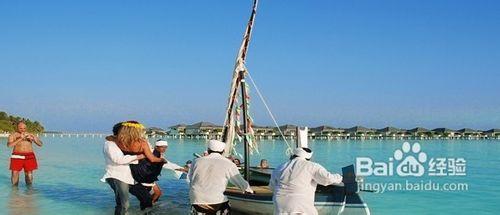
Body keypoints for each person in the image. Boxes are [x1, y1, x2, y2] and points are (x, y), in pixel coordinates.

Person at [269, 147, 343, 215]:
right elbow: (327, 179)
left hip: (279, 205)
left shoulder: (279, 167)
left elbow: (272, 187)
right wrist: (340, 177)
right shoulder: (312, 166)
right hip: (300, 205)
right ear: (308, 158)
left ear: (293, 155)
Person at [188, 140, 254, 215]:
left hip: (196, 199)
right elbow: (239, 181)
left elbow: (191, 178)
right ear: (223, 151)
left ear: (208, 150)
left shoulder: (196, 161)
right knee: (225, 207)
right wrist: (248, 190)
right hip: (216, 201)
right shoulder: (228, 163)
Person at [101, 122, 145, 215]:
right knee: (123, 204)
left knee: (145, 197)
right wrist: (138, 157)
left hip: (128, 177)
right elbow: (118, 159)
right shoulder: (110, 144)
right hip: (117, 176)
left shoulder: (120, 143)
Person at [7, 121, 43, 186]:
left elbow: (40, 144)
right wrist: (20, 138)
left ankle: (28, 192)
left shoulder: (30, 135)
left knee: (29, 173)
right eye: (21, 128)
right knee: (15, 173)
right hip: (17, 155)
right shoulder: (13, 135)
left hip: (29, 156)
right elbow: (9, 145)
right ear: (17, 127)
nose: (23, 130)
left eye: (24, 128)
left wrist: (33, 139)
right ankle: (14, 192)